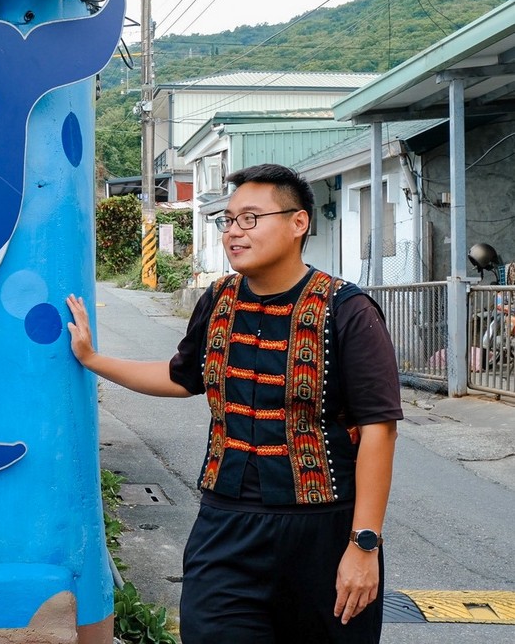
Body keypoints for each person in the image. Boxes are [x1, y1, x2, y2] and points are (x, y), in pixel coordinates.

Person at [66, 163, 402, 643]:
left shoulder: (346, 310)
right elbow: (182, 378)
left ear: (298, 223)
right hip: (226, 526)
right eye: (227, 220)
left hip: (321, 531)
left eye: (249, 218)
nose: (233, 232)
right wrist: (94, 359)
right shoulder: (218, 300)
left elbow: (379, 428)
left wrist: (363, 544)